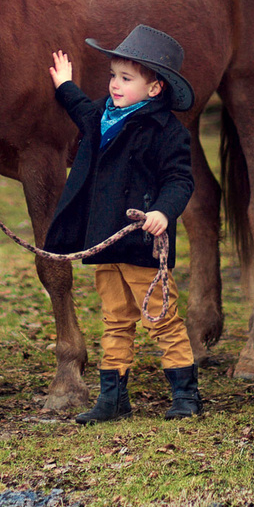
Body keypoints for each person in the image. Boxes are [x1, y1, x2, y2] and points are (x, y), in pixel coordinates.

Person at [45, 24, 201, 423]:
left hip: (141, 244)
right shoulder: (102, 115)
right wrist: (65, 84)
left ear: (154, 90)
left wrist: (164, 212)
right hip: (104, 242)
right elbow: (81, 108)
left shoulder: (167, 132)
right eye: (113, 75)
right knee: (115, 319)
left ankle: (185, 395)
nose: (114, 84)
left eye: (126, 78)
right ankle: (113, 399)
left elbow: (180, 179)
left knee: (161, 318)